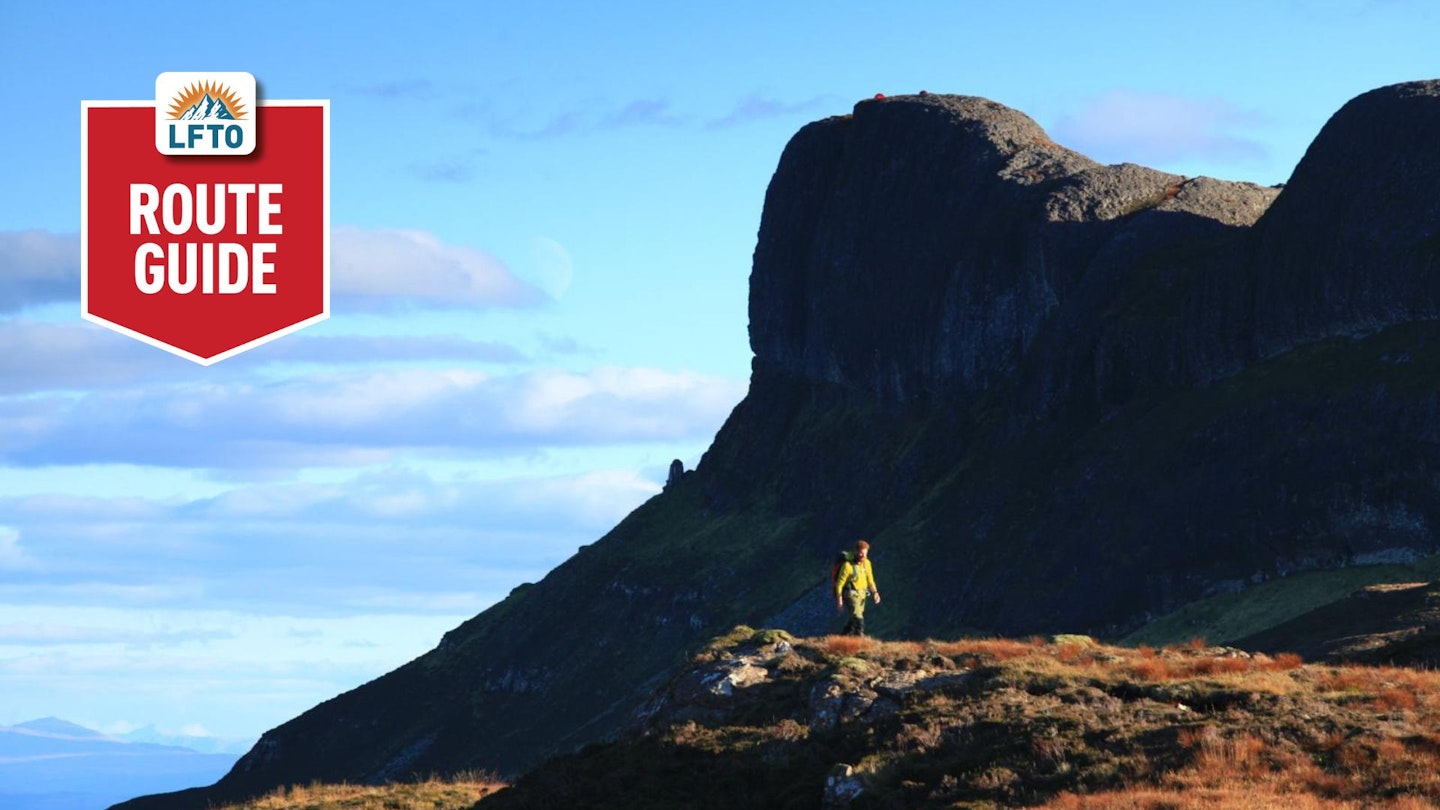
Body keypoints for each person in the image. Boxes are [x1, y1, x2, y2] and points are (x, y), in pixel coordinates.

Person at [834, 539, 881, 636]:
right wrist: (840, 601)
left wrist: (875, 593)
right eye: (861, 553)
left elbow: (870, 580)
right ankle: (860, 638)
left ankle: (842, 638)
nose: (863, 556)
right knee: (858, 617)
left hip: (862, 595)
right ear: (855, 552)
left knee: (853, 619)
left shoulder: (867, 564)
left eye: (865, 553)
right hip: (850, 594)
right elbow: (839, 584)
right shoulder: (847, 566)